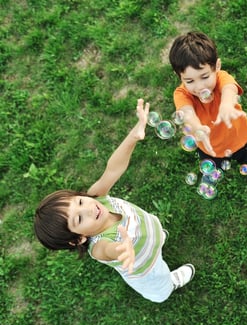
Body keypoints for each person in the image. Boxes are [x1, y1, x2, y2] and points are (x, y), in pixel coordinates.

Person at [34, 99, 195, 303]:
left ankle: (158, 239)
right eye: (79, 219)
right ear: (79, 239)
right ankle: (170, 283)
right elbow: (110, 250)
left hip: (148, 228)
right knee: (160, 283)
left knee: (156, 235)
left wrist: (134, 135)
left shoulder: (96, 196)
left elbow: (113, 168)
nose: (89, 209)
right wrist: (121, 250)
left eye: (80, 203)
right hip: (146, 267)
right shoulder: (100, 247)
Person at [168, 31, 247, 191]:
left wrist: (227, 104)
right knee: (212, 164)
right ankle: (211, 172)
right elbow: (187, 112)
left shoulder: (222, 78)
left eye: (205, 77)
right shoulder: (181, 94)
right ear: (179, 76)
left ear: (217, 67)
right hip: (209, 147)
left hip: (241, 138)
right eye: (190, 81)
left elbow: (229, 88)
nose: (199, 87)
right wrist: (198, 128)